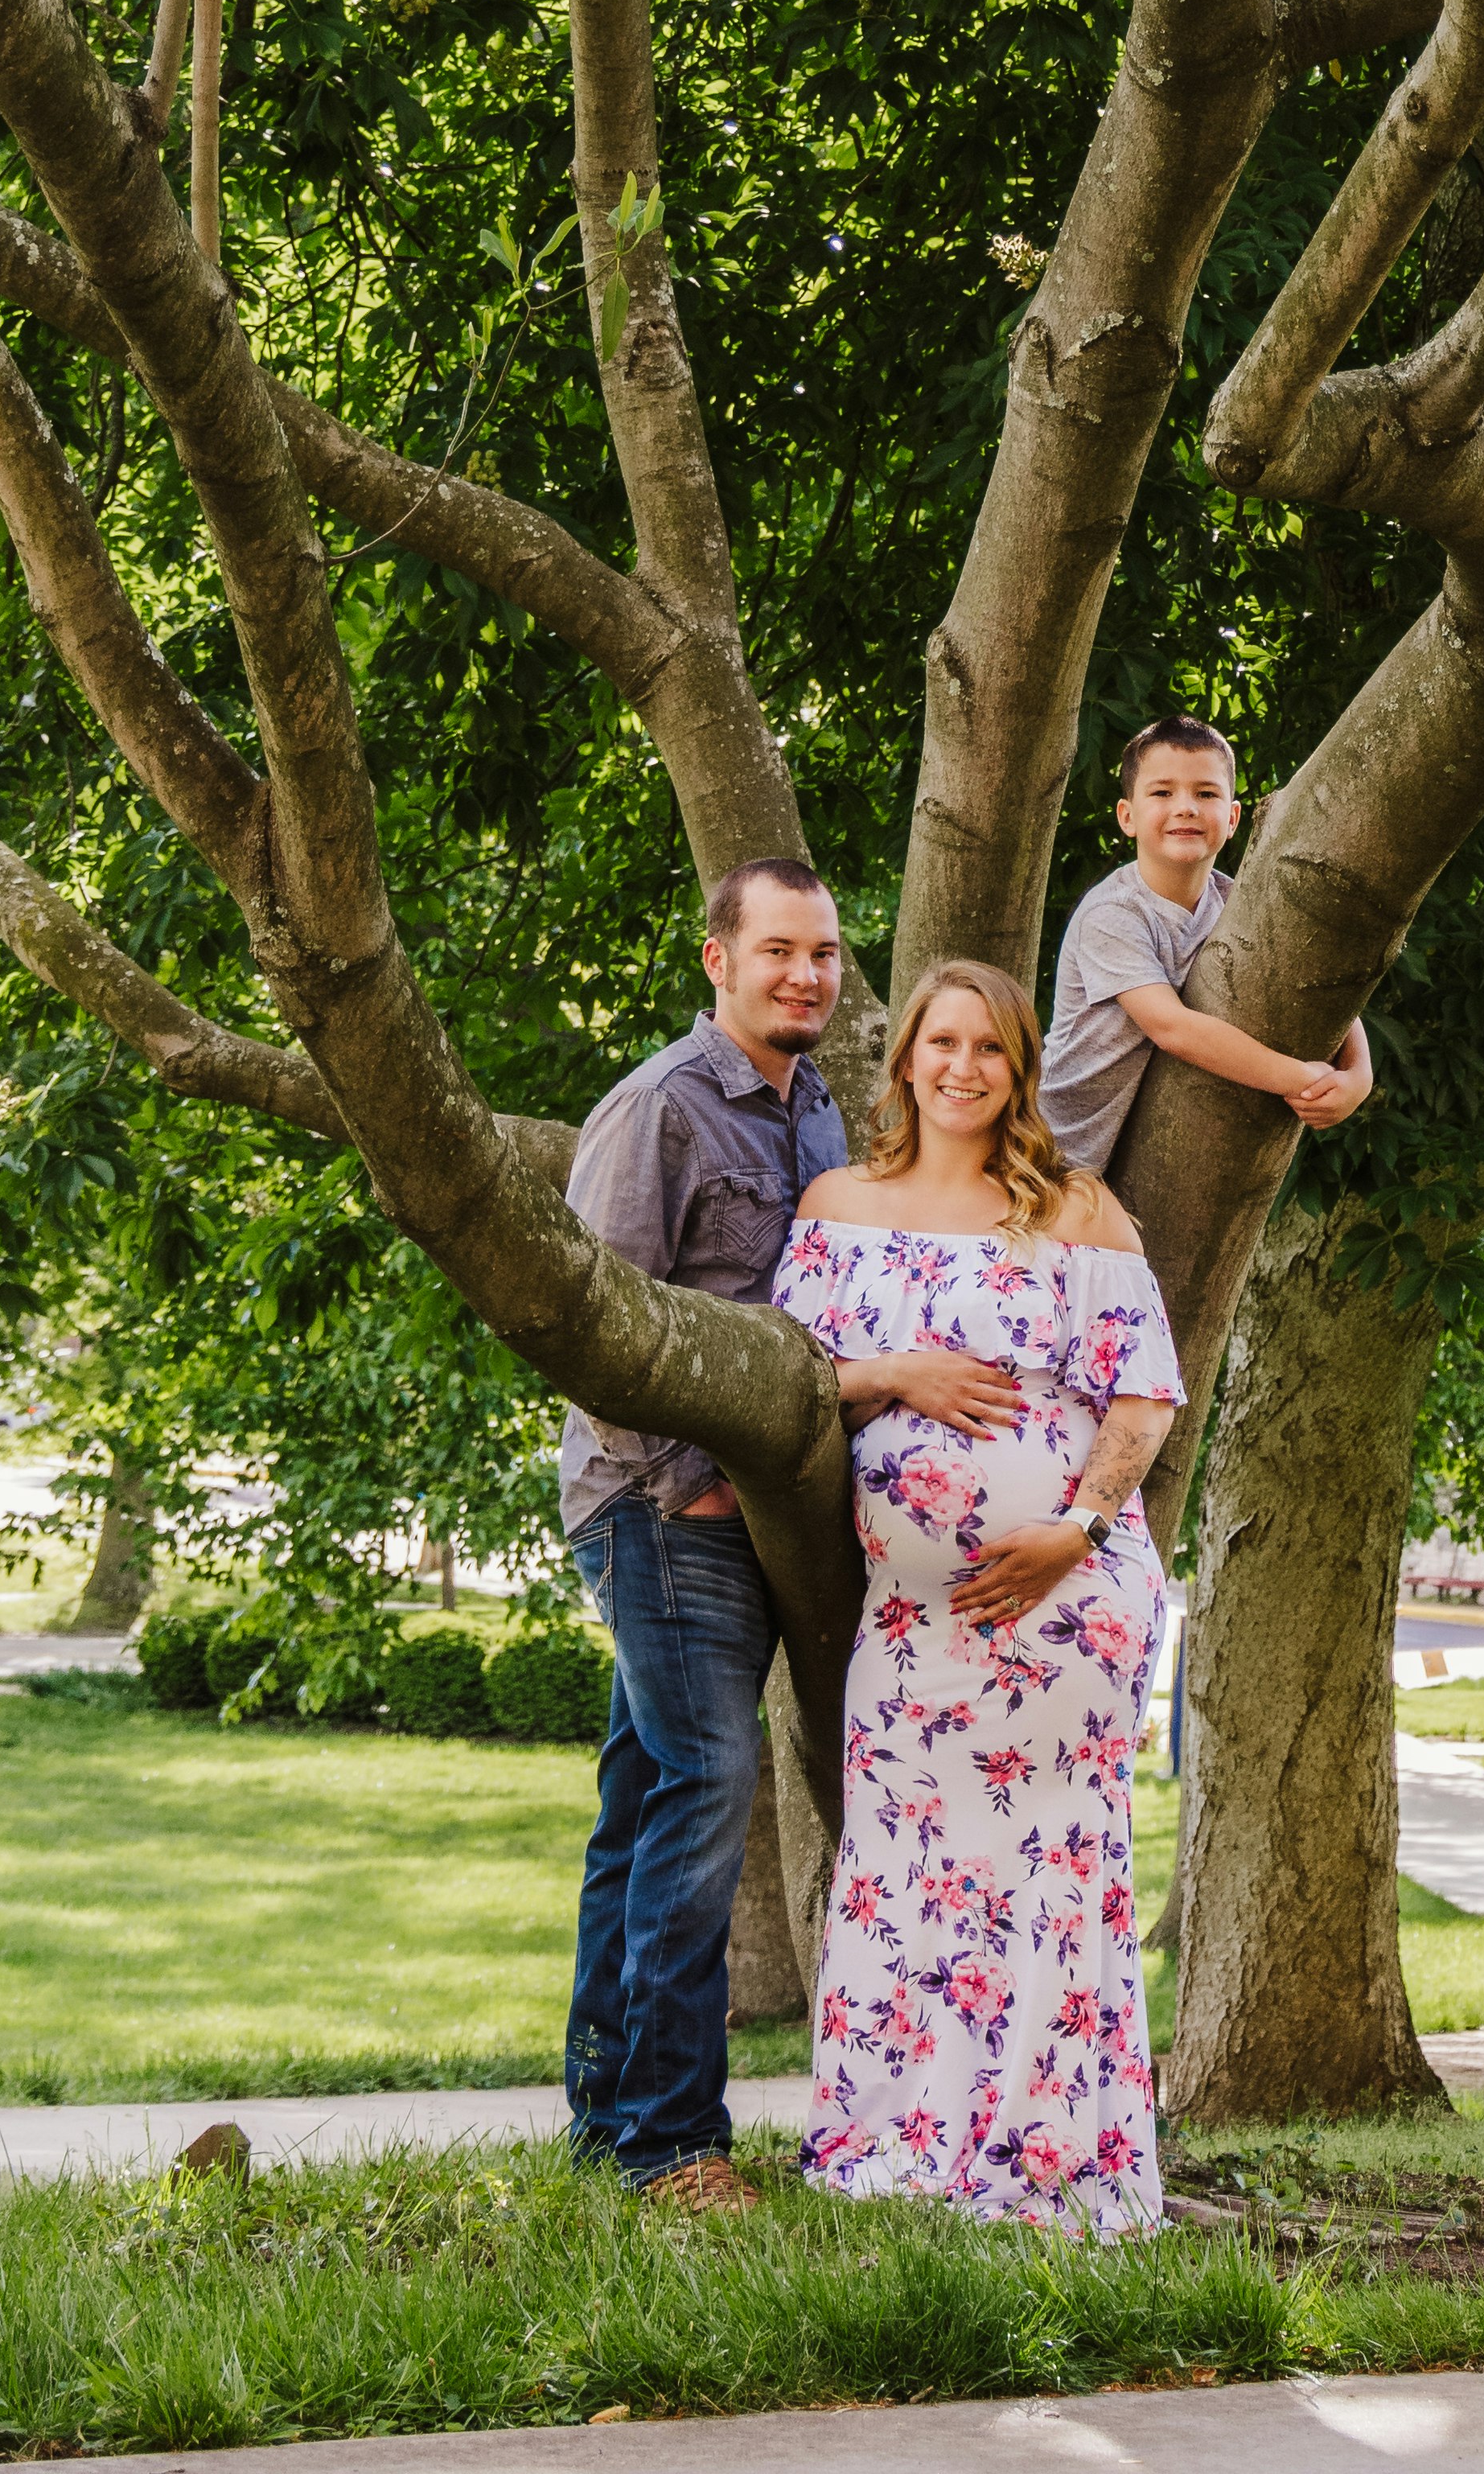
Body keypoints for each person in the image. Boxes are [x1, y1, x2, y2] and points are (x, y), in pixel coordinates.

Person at [773, 956, 1185, 2235]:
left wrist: (1073, 1527)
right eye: (940, 1044)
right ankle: (900, 2153)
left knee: (1050, 1879)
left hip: (1066, 1608)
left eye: (989, 1050)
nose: (962, 1068)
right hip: (908, 1626)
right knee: (903, 1876)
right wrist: (900, 1371)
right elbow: (784, 1380)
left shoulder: (1074, 1212)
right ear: (904, 1059)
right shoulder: (840, 1202)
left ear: (1020, 1071)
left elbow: (1145, 1392)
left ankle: (1048, 2168)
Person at [559, 857, 849, 2213]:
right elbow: (591, 1330)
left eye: (828, 955)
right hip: (662, 1507)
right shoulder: (662, 1108)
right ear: (718, 958)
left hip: (757, 1518)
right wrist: (702, 1477)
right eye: (781, 950)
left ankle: (607, 2118)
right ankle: (676, 2146)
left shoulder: (824, 1116)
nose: (807, 975)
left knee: (641, 1810)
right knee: (711, 1787)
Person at [1037, 713, 1371, 1181]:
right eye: (1162, 792)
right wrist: (1304, 1080)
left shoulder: (1234, 900)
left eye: (1207, 793)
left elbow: (1311, 972)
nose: (1186, 807)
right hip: (1052, 1145)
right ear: (1127, 817)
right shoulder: (1113, 915)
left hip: (1128, 1151)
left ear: (1233, 818)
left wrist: (1358, 1075)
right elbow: (1172, 1028)